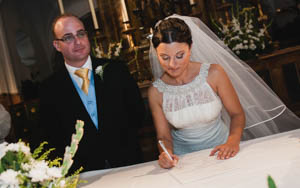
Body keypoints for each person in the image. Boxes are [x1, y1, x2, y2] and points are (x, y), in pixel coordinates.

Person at [148, 14, 300, 169]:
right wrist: (165, 153)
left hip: (223, 150)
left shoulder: (214, 73)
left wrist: (233, 142)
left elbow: (237, 114)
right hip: (183, 160)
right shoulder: (156, 92)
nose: (172, 64)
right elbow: (164, 137)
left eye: (179, 56)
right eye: (164, 57)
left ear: (190, 47)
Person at [34, 13, 145, 173]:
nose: (77, 41)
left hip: (128, 163)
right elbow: (50, 135)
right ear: (57, 46)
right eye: (68, 37)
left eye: (81, 34)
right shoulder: (49, 88)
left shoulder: (116, 70)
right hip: (83, 172)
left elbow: (138, 114)